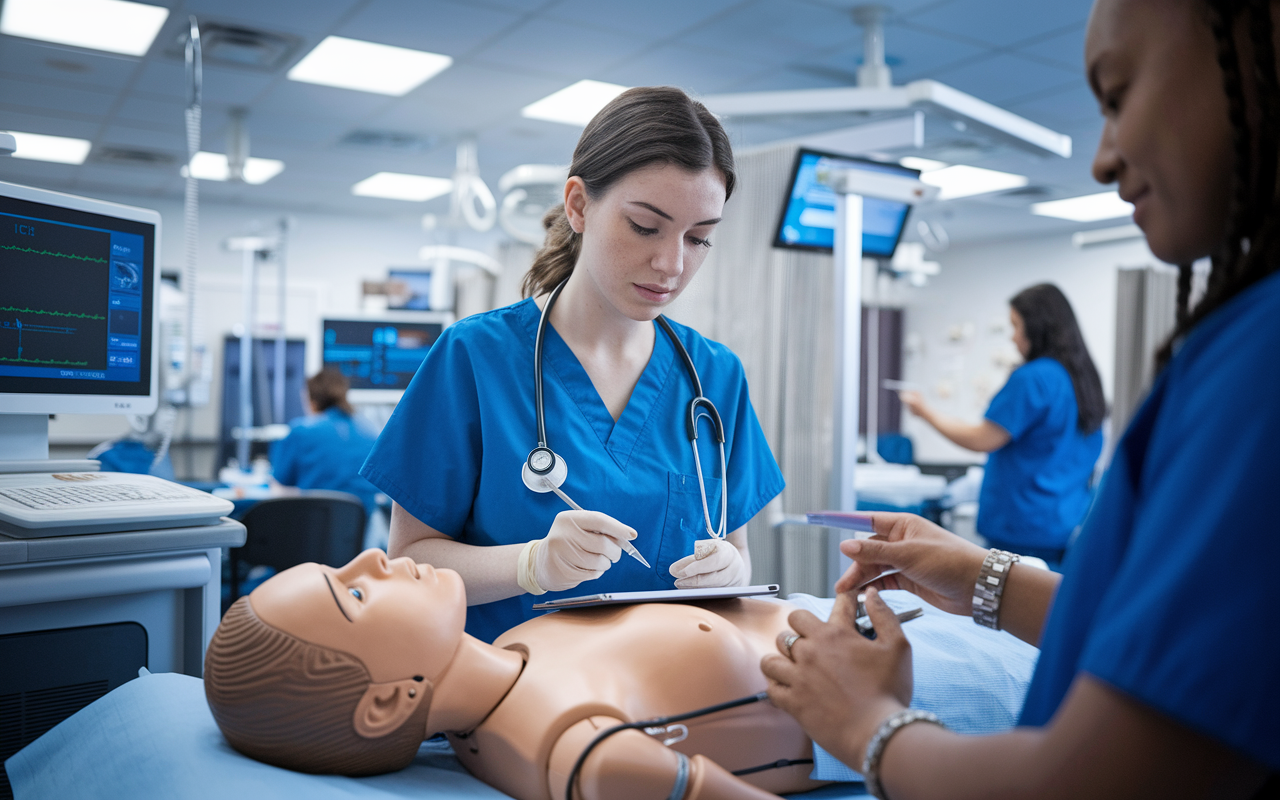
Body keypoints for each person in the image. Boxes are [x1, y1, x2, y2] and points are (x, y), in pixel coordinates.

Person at [762, 0, 1279, 797]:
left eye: (1116, 96)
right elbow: (1182, 643)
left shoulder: (1258, 359)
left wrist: (870, 725)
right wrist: (982, 579)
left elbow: (1092, 781)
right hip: (1042, 535)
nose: (1104, 158)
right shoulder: (1217, 350)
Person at [360, 87, 784, 643]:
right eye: (645, 226)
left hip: (676, 690)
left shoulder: (715, 376)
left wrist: (732, 573)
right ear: (579, 205)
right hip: (511, 697)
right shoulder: (474, 358)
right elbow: (411, 562)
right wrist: (529, 565)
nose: (672, 263)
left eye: (699, 238)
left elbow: (737, 549)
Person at [203, 549, 827, 799]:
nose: (369, 557)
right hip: (895, 680)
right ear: (386, 704)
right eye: (354, 595)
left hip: (857, 617)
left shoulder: (512, 647)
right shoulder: (571, 746)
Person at [899, 284, 1104, 568]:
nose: (1013, 338)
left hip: (1020, 536)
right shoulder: (1084, 381)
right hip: (1063, 533)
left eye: (1017, 326)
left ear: (1038, 327)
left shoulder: (1033, 379)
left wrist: (924, 412)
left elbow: (981, 438)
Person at [271, 368, 379, 519]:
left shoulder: (301, 432)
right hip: (356, 535)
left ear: (312, 401)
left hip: (310, 529)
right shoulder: (371, 434)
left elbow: (279, 489)